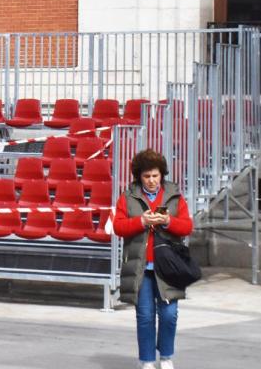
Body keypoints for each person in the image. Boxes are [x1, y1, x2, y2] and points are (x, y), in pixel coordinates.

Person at [113, 149, 193, 369]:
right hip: (140, 267)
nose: (151, 180)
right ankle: (147, 360)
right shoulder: (127, 197)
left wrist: (167, 221)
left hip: (168, 266)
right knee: (145, 316)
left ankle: (166, 356)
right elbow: (118, 226)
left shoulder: (175, 196)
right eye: (146, 176)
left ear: (162, 175)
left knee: (169, 315)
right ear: (139, 176)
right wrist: (141, 221)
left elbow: (187, 226)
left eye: (155, 175)